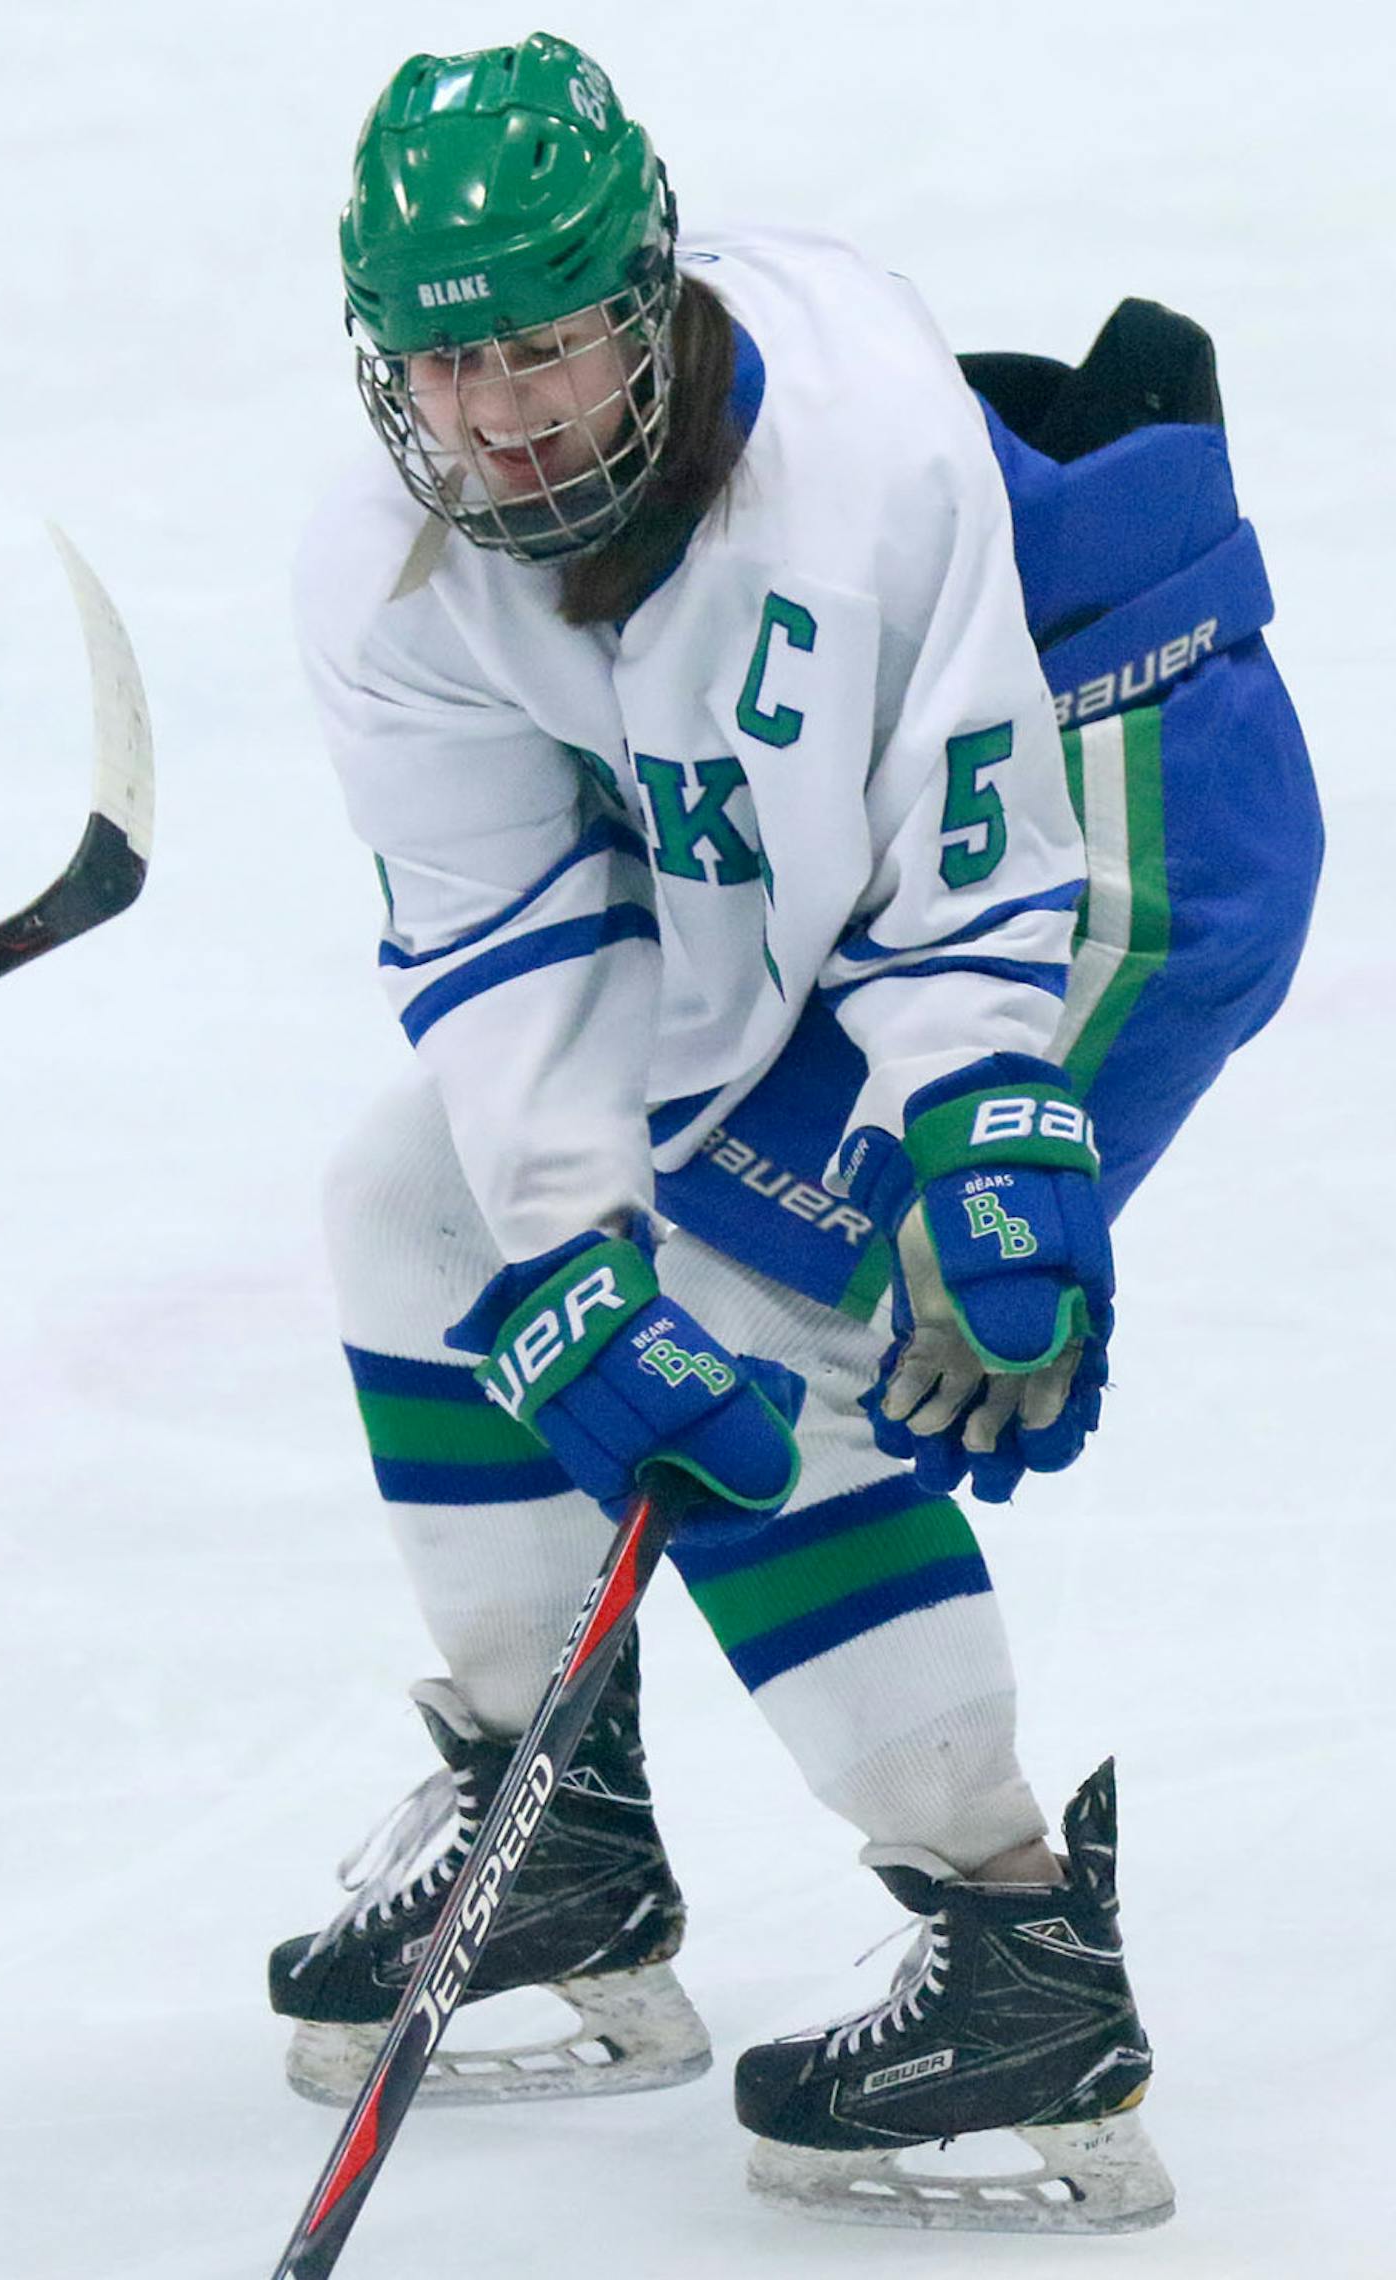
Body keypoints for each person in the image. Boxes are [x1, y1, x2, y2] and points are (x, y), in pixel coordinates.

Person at [270, 33, 1319, 2234]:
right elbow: (504, 919)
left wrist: (988, 1142)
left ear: (650, 293)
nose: (495, 416)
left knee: (772, 1326)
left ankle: (1018, 1960)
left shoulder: (853, 455)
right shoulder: (385, 558)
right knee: (412, 1206)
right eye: (442, 364)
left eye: (546, 346)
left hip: (1117, 808)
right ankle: (552, 1838)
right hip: (788, 869)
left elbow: (965, 881)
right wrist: (568, 1252)